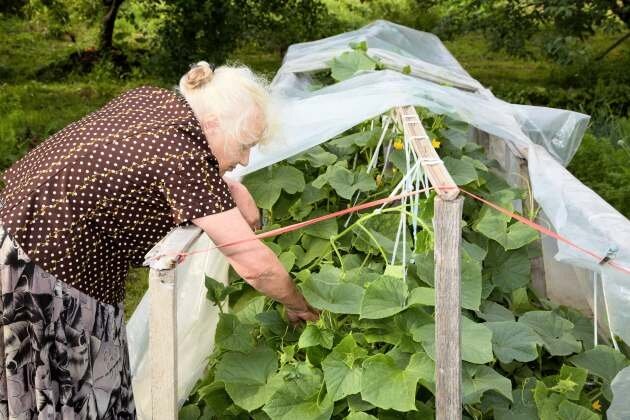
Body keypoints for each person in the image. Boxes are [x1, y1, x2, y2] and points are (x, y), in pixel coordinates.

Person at [0, 61, 318, 419]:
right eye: (245, 145)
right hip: (52, 272)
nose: (244, 159)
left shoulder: (156, 102)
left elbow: (145, 159)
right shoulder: (185, 159)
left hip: (16, 237)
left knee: (34, 382)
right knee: (73, 395)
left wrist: (229, 186)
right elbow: (255, 266)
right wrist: (301, 305)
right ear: (213, 124)